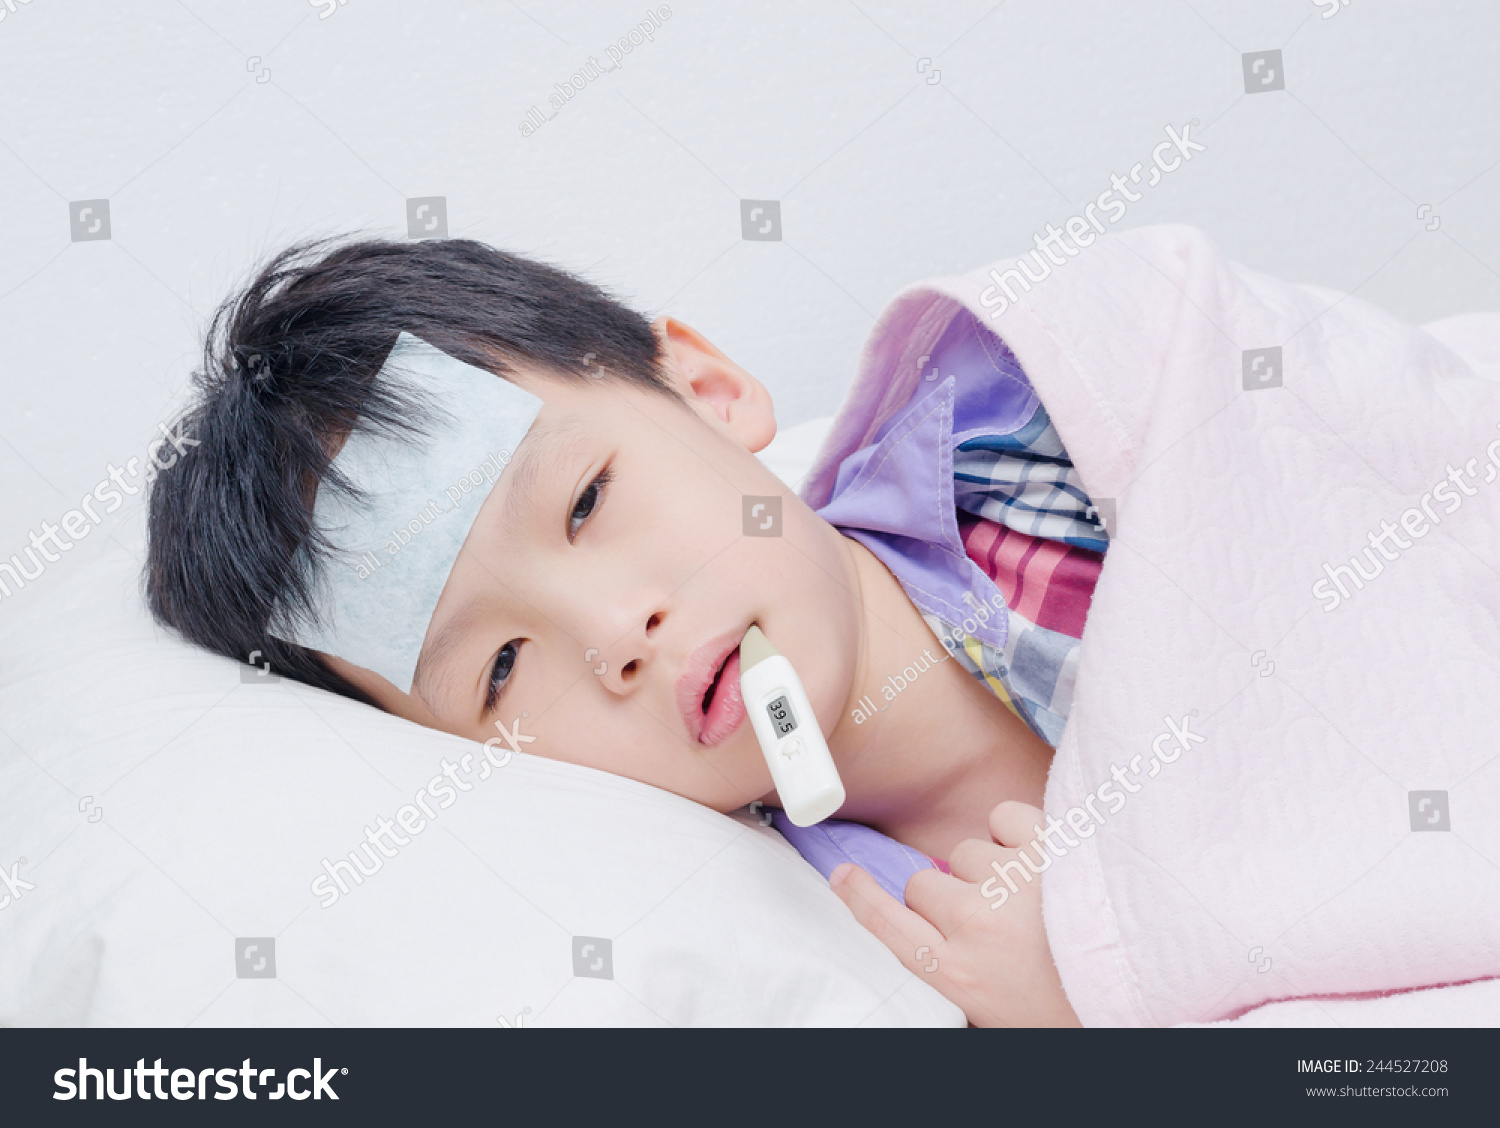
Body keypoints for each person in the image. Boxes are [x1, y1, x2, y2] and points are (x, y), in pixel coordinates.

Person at [147, 235, 1108, 1025]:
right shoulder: (863, 957)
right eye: (502, 668)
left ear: (705, 387)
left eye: (585, 501)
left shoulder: (1059, 430)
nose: (616, 635)